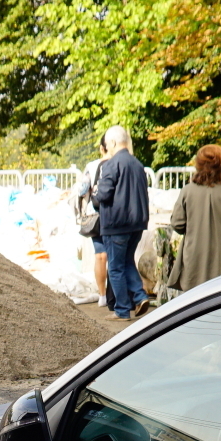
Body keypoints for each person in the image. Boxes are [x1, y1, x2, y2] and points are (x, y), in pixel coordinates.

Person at [93, 125, 151, 320]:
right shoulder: (137, 164)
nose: (106, 147)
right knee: (127, 262)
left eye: (107, 144)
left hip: (116, 223)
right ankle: (140, 296)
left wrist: (95, 192)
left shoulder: (111, 164)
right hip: (137, 222)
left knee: (116, 267)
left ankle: (122, 310)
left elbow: (103, 194)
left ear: (113, 143)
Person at [169, 145, 221, 292]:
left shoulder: (188, 191)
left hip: (195, 258)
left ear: (198, 165)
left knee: (194, 300)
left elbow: (177, 223)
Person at [75, 137, 112, 306]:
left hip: (95, 215)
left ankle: (102, 296)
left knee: (100, 255)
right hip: (113, 214)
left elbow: (82, 190)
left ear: (100, 148)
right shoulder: (117, 164)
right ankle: (115, 295)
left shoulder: (91, 166)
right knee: (115, 256)